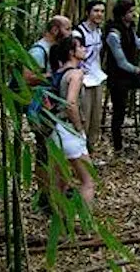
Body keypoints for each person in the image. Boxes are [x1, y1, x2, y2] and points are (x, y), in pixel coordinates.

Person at [21, 15, 72, 213]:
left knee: (52, 149)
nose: (69, 33)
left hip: (48, 107)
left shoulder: (52, 49)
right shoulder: (38, 51)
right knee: (44, 150)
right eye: (67, 29)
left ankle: (55, 191)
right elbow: (27, 77)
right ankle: (44, 196)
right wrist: (54, 76)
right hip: (40, 108)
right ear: (55, 30)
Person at [48, 36, 96, 205]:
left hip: (55, 129)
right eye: (80, 46)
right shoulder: (76, 74)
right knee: (88, 181)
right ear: (71, 52)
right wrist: (79, 128)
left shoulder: (59, 72)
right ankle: (85, 219)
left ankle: (60, 218)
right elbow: (71, 103)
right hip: (69, 130)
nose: (84, 49)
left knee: (60, 182)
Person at [105, 0, 140, 152]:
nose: (134, 14)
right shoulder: (113, 34)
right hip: (118, 78)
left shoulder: (129, 28)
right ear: (122, 14)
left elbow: (137, 44)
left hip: (130, 75)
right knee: (119, 112)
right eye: (130, 11)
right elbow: (121, 62)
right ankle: (118, 147)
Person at [72, 0, 107, 154]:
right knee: (84, 116)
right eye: (96, 11)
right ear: (88, 12)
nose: (99, 14)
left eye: (102, 11)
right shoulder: (78, 33)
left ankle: (90, 151)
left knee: (95, 118)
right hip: (83, 80)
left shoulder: (99, 32)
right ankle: (80, 151)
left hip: (97, 77)